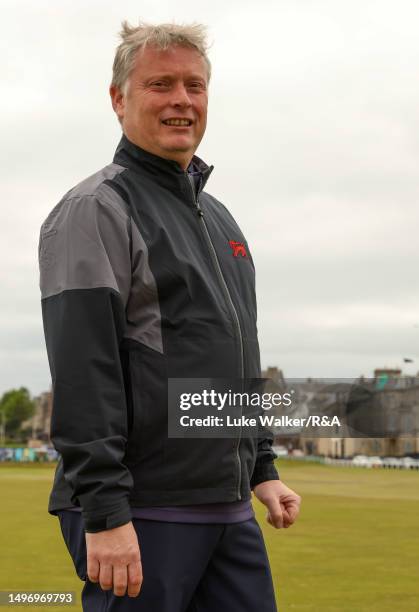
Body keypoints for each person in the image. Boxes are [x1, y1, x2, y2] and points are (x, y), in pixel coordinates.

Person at [38, 19, 302, 611]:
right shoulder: (94, 209)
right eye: (160, 84)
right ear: (118, 99)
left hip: (227, 509)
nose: (182, 99)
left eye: (194, 85)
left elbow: (238, 354)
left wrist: (261, 465)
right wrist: (104, 510)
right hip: (142, 507)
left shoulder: (221, 219)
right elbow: (85, 368)